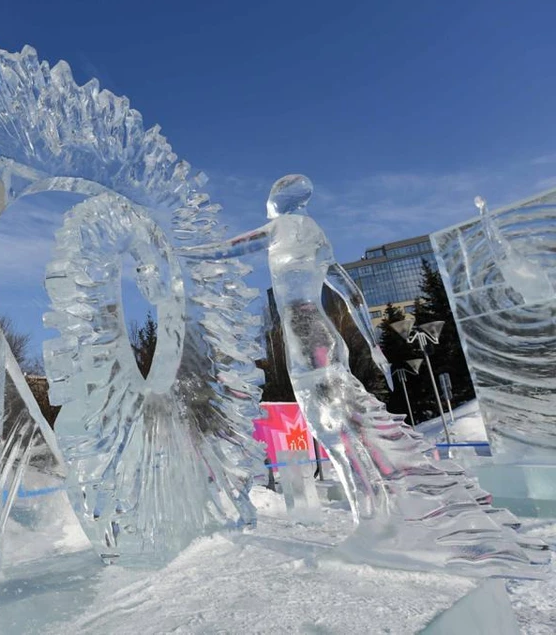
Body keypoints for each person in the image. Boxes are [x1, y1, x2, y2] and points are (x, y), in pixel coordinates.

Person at [179, 175, 547, 573]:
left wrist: (180, 251)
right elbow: (352, 294)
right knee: (349, 431)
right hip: (327, 338)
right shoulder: (317, 237)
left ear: (277, 203)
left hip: (305, 342)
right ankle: (377, 518)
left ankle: (375, 523)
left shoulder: (283, 228)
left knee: (338, 433)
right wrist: (374, 348)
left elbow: (230, 249)